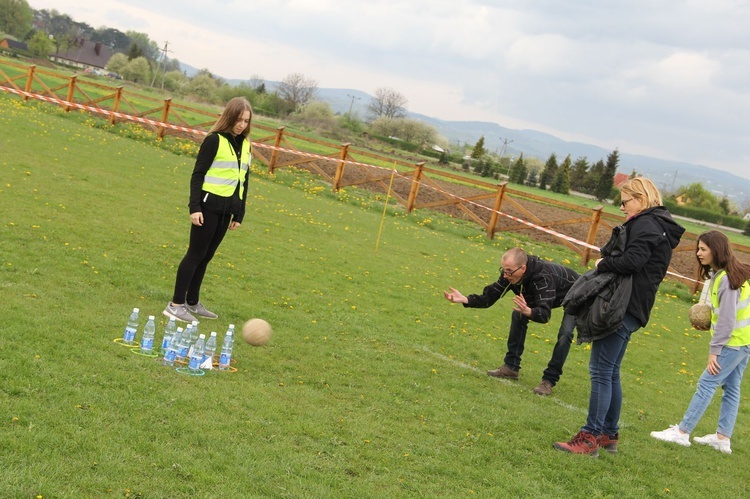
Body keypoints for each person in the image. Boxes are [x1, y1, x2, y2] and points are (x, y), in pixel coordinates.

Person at [553, 177, 684, 456]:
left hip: (622, 306)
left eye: (625, 202)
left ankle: (590, 437)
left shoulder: (647, 224)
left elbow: (632, 262)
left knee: (600, 371)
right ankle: (608, 435)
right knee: (610, 371)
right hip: (635, 307)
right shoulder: (658, 224)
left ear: (640, 198)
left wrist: (603, 263)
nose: (622, 207)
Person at [651, 230, 750, 454]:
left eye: (703, 249)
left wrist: (714, 351)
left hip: (732, 343)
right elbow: (728, 314)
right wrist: (708, 323)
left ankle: (682, 432)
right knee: (732, 388)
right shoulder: (734, 273)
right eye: (698, 248)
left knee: (707, 383)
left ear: (717, 250)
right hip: (744, 342)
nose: (698, 253)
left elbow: (727, 320)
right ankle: (722, 439)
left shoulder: (726, 279)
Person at [444, 247, 580, 396]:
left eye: (509, 271)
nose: (506, 275)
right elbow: (490, 297)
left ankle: (548, 381)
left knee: (565, 334)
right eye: (504, 270)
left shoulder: (542, 277)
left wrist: (529, 311)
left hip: (577, 293)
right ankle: (511, 367)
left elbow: (544, 314)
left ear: (523, 268)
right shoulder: (510, 274)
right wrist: (466, 299)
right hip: (549, 294)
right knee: (518, 315)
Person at [163, 97, 253, 323]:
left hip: (227, 211)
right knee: (195, 254)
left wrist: (239, 213)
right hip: (207, 207)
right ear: (229, 117)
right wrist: (194, 207)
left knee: (206, 256)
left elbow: (244, 180)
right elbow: (197, 174)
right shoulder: (214, 140)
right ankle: (175, 305)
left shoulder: (246, 145)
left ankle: (192, 302)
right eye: (238, 119)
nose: (241, 125)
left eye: (246, 121)